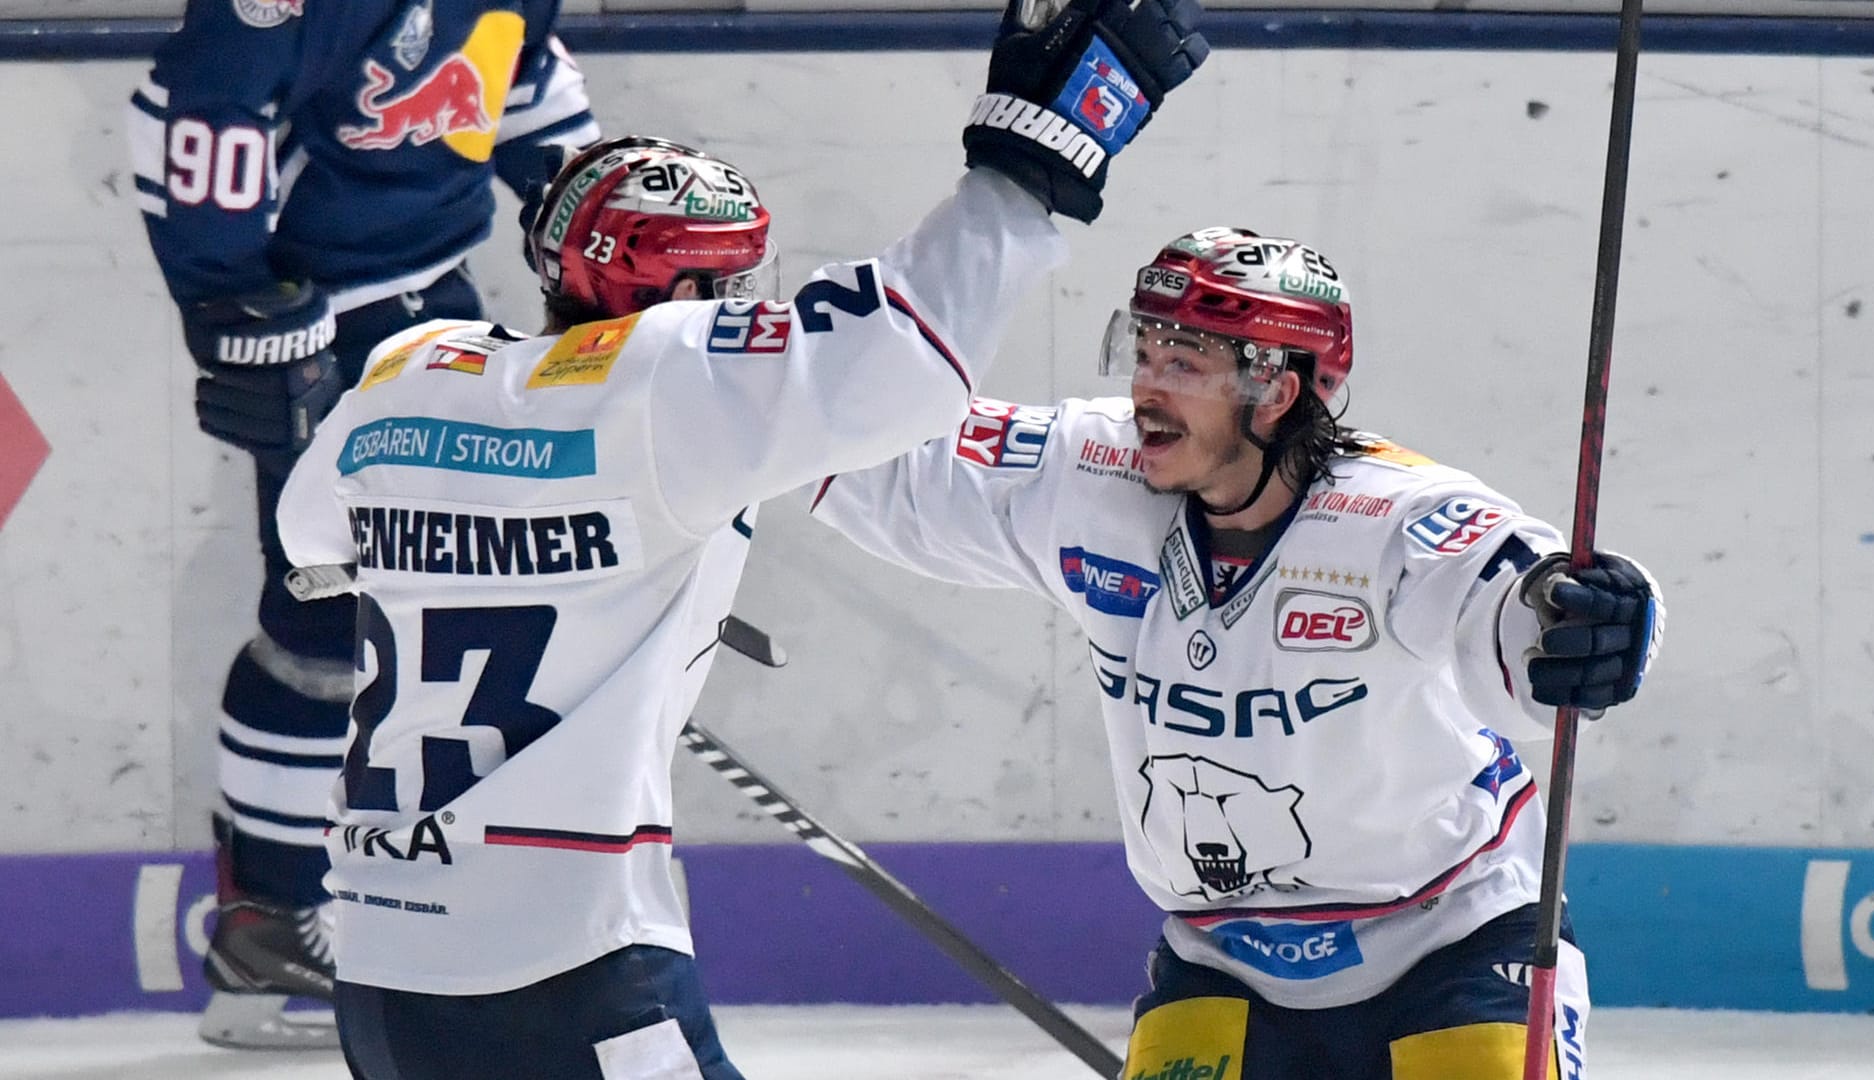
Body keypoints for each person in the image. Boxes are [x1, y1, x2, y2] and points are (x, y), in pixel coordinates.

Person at [272, 0, 1210, 1074]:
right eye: (725, 279)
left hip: (383, 962)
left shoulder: (411, 368)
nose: (739, 300)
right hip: (565, 961)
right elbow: (903, 354)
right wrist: (1032, 167)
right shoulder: (667, 375)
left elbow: (312, 537)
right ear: (672, 288)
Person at [809, 227, 1665, 1079]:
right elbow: (854, 450)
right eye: (1142, 350)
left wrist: (1588, 620)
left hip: (1457, 943)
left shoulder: (1393, 517)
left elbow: (1513, 596)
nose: (1145, 387)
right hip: (1221, 958)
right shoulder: (1088, 472)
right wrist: (724, 388)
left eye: (1184, 363)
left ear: (1277, 391)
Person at [127, 0, 599, 1048]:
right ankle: (270, 922)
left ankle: (426, 906)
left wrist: (606, 210)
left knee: (466, 616)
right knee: (332, 631)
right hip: (328, 330)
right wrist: (232, 302)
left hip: (447, 308)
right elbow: (192, 108)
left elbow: (518, 88)